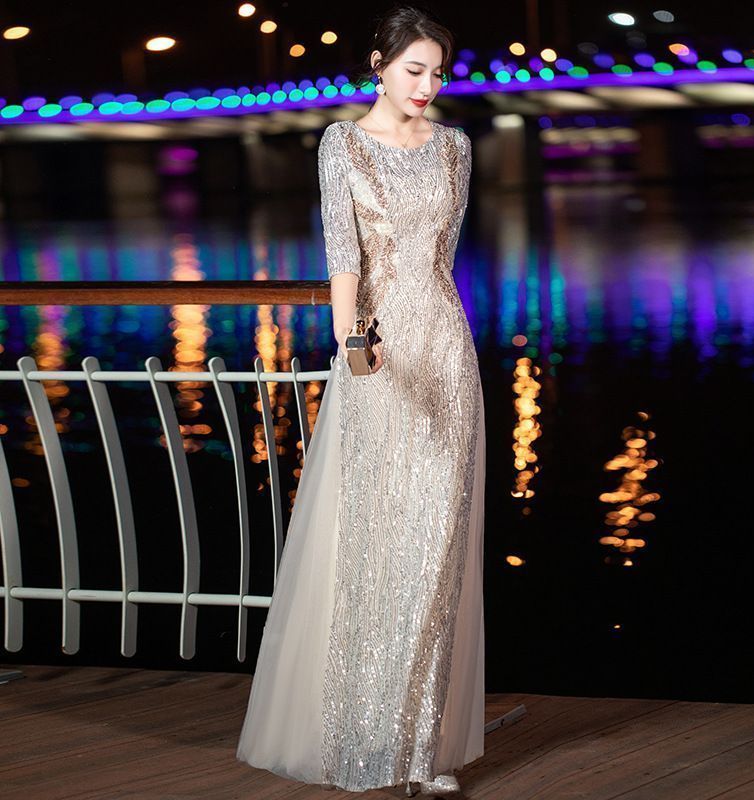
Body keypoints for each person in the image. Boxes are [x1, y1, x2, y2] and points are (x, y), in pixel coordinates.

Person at [236, 5, 485, 796]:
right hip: (376, 353)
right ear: (379, 65)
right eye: (414, 70)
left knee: (438, 545)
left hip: (446, 351)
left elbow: (440, 256)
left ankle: (423, 750)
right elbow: (344, 254)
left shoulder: (456, 147)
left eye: (437, 73)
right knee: (376, 541)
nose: (427, 86)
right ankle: (363, 734)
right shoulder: (341, 143)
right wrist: (352, 343)